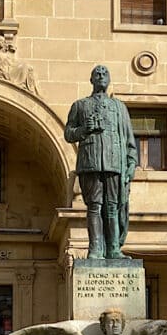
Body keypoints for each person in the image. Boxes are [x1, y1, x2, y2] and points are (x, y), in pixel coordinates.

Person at [64, 65, 139, 259]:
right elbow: (68, 133)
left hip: (114, 164)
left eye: (105, 73)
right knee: (94, 206)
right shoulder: (80, 105)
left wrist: (131, 165)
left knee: (112, 206)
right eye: (97, 74)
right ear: (91, 80)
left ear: (109, 79)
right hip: (90, 163)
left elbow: (130, 140)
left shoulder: (119, 107)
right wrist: (83, 130)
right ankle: (96, 248)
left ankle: (113, 248)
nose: (100, 76)